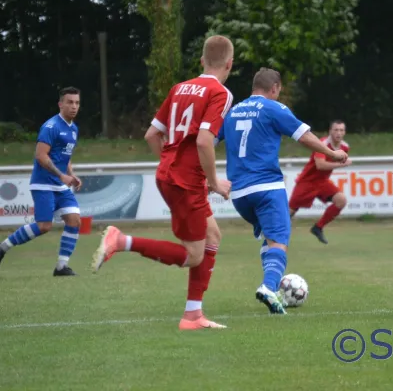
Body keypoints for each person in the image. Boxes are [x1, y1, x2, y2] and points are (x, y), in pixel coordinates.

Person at [91, 35, 234, 331]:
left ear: (201, 62)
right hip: (185, 182)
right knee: (192, 256)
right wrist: (214, 182)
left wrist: (174, 166)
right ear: (230, 64)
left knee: (212, 236)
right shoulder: (220, 92)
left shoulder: (179, 88)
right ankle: (121, 241)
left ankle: (193, 315)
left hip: (169, 174)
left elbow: (151, 135)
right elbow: (206, 142)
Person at [217, 68, 348, 314]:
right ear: (275, 87)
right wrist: (332, 153)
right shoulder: (273, 108)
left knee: (270, 239)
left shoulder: (233, 112)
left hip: (239, 194)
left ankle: (272, 289)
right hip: (267, 187)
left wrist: (208, 179)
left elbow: (208, 141)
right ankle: (269, 287)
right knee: (280, 239)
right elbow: (304, 136)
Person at [0, 87, 83, 276]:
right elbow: (41, 156)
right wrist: (62, 176)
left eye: (77, 103)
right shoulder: (51, 126)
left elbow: (66, 156)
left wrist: (71, 174)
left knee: (74, 221)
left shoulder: (73, 129)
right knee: (44, 226)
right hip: (43, 184)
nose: (74, 106)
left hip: (60, 184)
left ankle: (61, 267)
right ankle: (1, 247)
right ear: (61, 104)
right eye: (70, 102)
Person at [289, 120, 351, 244]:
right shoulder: (322, 143)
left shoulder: (345, 147)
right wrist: (341, 164)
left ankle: (318, 228)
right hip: (307, 181)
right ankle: (272, 231)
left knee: (341, 201)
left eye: (341, 130)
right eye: (336, 130)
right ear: (330, 131)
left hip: (322, 182)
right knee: (290, 211)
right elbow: (320, 165)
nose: (338, 133)